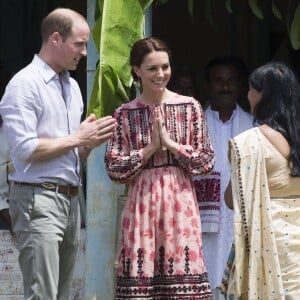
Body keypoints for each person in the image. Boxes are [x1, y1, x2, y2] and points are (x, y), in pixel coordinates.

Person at [0, 8, 116, 299]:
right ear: (55, 38)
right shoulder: (24, 85)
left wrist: (86, 145)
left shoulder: (72, 87)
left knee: (61, 294)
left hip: (70, 199)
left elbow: (71, 152)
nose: (84, 52)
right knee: (42, 293)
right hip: (37, 199)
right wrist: (77, 137)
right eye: (79, 44)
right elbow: (25, 150)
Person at [105, 37, 215, 299]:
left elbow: (206, 161)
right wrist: (149, 149)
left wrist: (172, 145)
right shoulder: (124, 113)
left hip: (180, 202)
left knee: (184, 282)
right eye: (152, 68)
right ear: (136, 70)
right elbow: (114, 169)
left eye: (165, 67)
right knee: (140, 286)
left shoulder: (190, 107)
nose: (161, 74)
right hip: (141, 203)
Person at [223, 62, 300, 299]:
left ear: (262, 95)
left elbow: (231, 200)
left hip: (270, 242)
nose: (247, 95)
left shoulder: (250, 143)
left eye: (250, 89)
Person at [192, 56, 254, 300]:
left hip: (240, 220)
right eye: (218, 81)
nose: (225, 87)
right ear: (208, 85)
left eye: (231, 81)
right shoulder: (193, 126)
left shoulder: (255, 126)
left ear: (241, 86)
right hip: (201, 221)